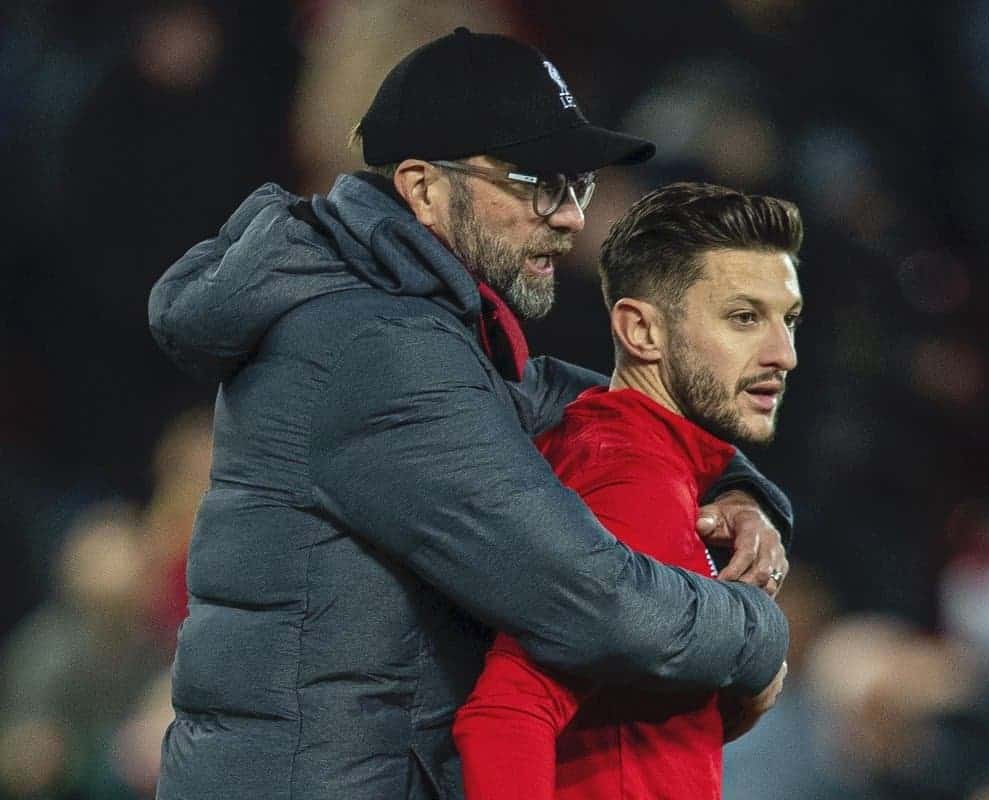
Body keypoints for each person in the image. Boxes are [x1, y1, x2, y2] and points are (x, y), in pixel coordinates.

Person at [147, 28, 790, 800]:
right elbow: (592, 601)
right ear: (422, 187)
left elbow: (599, 399)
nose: (570, 218)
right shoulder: (379, 346)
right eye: (537, 183)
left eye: (576, 185)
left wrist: (737, 487)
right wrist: (755, 629)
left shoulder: (426, 325)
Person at [452, 182, 803, 799]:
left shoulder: (649, 461)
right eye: (744, 317)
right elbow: (506, 716)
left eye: (788, 319)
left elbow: (620, 736)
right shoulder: (631, 476)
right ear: (642, 331)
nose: (784, 354)